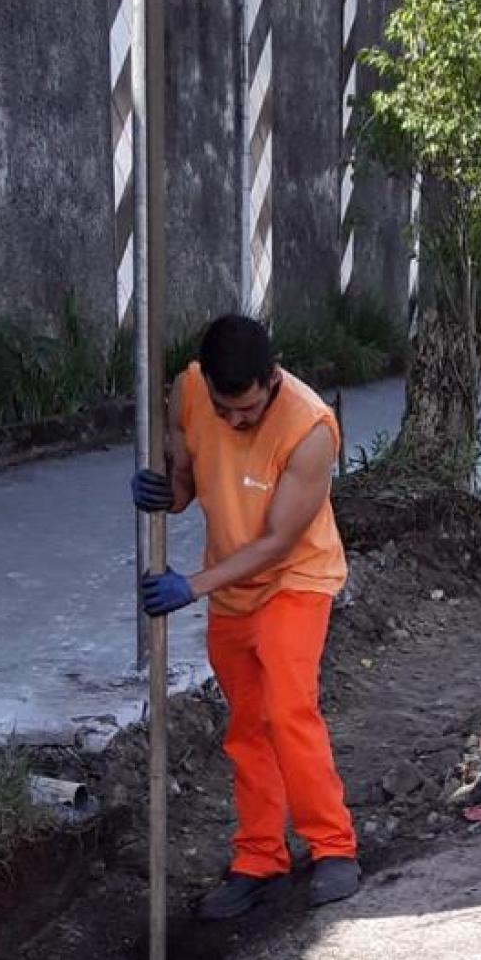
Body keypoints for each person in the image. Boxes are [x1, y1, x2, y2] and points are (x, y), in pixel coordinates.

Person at [133, 313, 360, 919]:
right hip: (230, 585)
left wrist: (192, 586)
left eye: (249, 411)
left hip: (294, 577)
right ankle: (259, 857)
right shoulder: (187, 391)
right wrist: (165, 493)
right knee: (248, 725)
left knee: (289, 710)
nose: (235, 422)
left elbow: (278, 542)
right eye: (224, 408)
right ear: (205, 382)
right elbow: (186, 483)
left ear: (273, 379)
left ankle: (333, 846)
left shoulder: (310, 428)